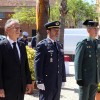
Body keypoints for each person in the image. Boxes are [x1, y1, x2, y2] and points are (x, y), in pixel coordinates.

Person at [0, 19, 32, 100]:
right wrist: (0, 88)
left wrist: (28, 82)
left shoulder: (21, 46)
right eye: (16, 28)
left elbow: (25, 66)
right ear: (7, 30)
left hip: (20, 88)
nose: (19, 30)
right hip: (7, 89)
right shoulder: (2, 46)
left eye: (19, 28)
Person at [34, 21, 66, 100]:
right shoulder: (42, 45)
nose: (57, 32)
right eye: (55, 30)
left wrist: (63, 78)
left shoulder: (59, 45)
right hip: (47, 81)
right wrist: (39, 81)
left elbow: (62, 63)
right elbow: (38, 64)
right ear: (48, 31)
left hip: (57, 81)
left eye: (58, 30)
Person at [74, 19, 100, 100]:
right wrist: (79, 78)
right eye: (94, 29)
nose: (96, 30)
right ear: (88, 30)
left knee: (91, 98)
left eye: (97, 29)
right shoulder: (83, 43)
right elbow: (78, 61)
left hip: (95, 78)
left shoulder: (98, 43)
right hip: (85, 79)